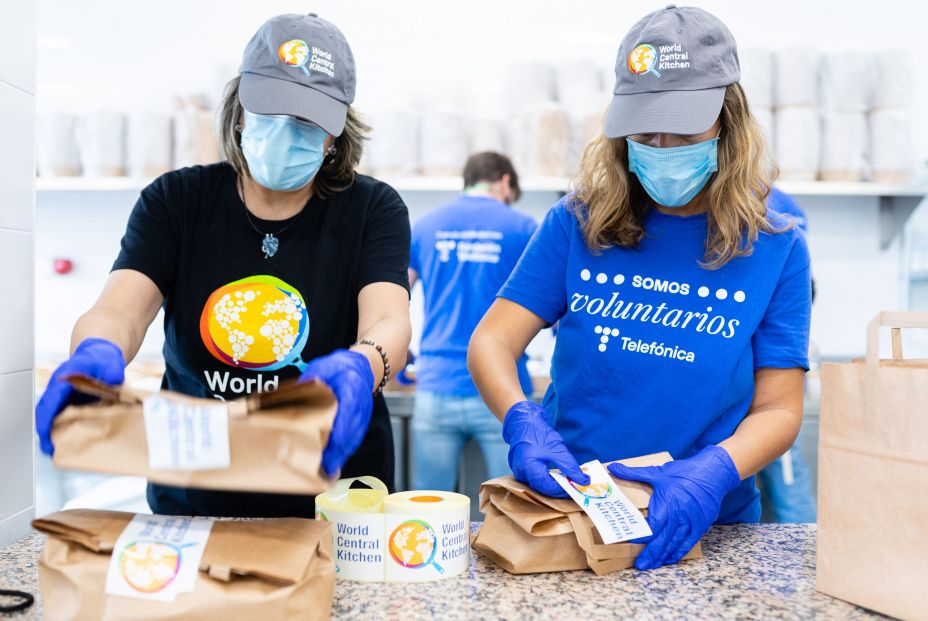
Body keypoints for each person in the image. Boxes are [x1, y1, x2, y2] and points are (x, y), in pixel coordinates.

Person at [468, 6, 811, 571]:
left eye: (684, 129)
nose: (662, 146)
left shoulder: (775, 246)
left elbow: (779, 407)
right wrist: (521, 418)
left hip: (704, 523)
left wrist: (714, 472)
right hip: (571, 514)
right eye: (644, 131)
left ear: (729, 121)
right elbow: (492, 343)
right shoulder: (578, 222)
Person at [34, 13, 412, 518]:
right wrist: (96, 351)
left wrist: (362, 365)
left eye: (307, 122)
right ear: (238, 112)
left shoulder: (372, 209)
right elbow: (121, 310)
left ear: (335, 137)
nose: (284, 135)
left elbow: (388, 320)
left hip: (334, 498)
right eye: (270, 113)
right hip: (194, 492)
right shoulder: (177, 200)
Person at [408, 152, 536, 490]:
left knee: (428, 504)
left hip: (436, 384)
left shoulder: (426, 225)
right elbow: (552, 311)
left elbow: (395, 293)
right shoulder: (523, 227)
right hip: (501, 388)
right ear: (506, 181)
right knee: (508, 504)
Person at [759, 186, 817, 523]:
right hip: (764, 381)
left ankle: (800, 564)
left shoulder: (779, 212)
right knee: (786, 490)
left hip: (772, 387)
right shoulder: (784, 203)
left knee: (787, 486)